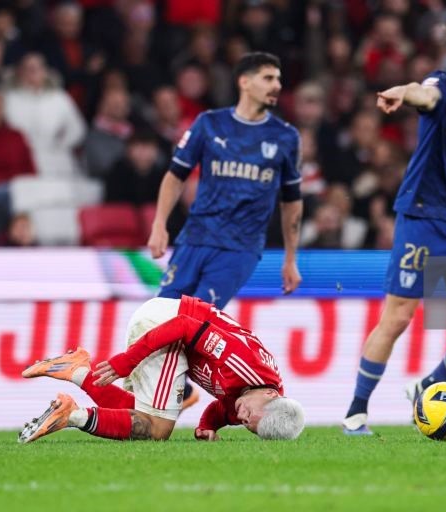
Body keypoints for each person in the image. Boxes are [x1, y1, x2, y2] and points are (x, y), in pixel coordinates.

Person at [341, 9, 446, 435]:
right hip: (423, 217)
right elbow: (423, 94)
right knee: (398, 317)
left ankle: (429, 386)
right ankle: (356, 413)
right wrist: (401, 91)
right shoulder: (443, 87)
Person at [147, 52, 303, 409]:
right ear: (244, 82)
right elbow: (175, 175)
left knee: (196, 318)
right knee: (160, 315)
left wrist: (291, 258)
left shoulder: (285, 137)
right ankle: (171, 390)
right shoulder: (209, 124)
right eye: (268, 78)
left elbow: (292, 201)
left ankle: (178, 390)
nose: (277, 85)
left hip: (239, 248)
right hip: (195, 238)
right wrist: (159, 224)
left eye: (279, 79)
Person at [18, 295, 304, 443]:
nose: (241, 418)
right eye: (249, 416)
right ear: (270, 394)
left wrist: (206, 427)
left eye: (247, 425)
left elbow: (221, 411)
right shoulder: (244, 362)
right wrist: (127, 360)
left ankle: (77, 371)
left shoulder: (253, 402)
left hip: (167, 327)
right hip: (166, 323)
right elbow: (184, 326)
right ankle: (71, 415)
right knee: (158, 429)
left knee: (140, 413)